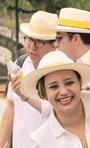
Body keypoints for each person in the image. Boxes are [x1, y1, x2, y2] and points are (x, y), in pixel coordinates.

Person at [20, 51, 90, 148]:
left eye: (69, 83)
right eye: (53, 86)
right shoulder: (40, 141)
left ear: (80, 82)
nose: (63, 92)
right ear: (44, 92)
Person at [0, 11, 58, 148]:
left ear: (54, 43)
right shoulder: (20, 63)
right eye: (29, 39)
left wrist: (25, 96)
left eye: (39, 41)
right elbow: (11, 106)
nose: (31, 46)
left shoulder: (60, 70)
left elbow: (55, 110)